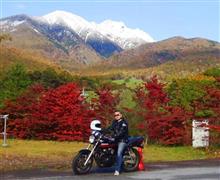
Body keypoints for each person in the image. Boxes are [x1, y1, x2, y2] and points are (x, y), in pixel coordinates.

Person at [108, 111, 129, 176]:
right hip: (116, 140)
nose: (116, 116)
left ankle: (117, 170)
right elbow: (110, 128)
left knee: (119, 153)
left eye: (118, 114)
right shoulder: (114, 122)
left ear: (121, 115)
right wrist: (101, 131)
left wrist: (114, 136)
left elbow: (121, 132)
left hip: (122, 140)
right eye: (115, 115)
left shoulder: (124, 123)